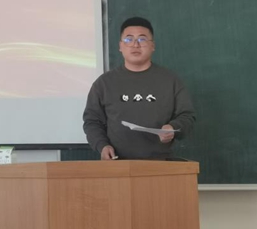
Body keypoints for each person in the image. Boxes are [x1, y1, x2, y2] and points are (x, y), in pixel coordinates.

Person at [82, 16, 195, 160]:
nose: (135, 44)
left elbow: (187, 116)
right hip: (117, 163)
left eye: (142, 39)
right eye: (128, 39)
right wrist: (102, 146)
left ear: (153, 46)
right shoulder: (104, 83)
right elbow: (92, 121)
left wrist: (173, 128)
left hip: (161, 164)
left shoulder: (170, 80)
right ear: (120, 46)